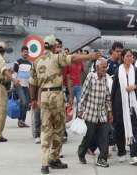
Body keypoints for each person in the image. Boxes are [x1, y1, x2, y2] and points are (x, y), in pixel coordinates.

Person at [29, 34, 100, 174]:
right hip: (56, 95)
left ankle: (45, 163)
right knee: (58, 128)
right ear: (54, 46)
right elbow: (73, 58)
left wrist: (33, 100)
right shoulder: (57, 57)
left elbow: (32, 84)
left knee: (46, 128)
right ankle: (54, 158)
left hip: (43, 96)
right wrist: (90, 56)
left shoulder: (36, 61)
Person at [77, 58, 112, 167]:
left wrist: (109, 111)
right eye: (103, 67)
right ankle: (81, 153)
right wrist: (80, 110)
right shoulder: (90, 77)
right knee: (89, 136)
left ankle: (102, 159)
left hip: (102, 114)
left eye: (106, 67)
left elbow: (107, 96)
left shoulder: (106, 78)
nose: (105, 69)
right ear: (97, 67)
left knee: (104, 136)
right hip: (90, 113)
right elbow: (84, 94)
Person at [111, 49, 137, 165]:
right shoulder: (117, 70)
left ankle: (134, 155)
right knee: (119, 130)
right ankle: (121, 152)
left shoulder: (135, 70)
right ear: (123, 57)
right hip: (119, 105)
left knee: (134, 129)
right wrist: (111, 107)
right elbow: (114, 89)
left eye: (131, 56)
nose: (130, 58)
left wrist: (134, 87)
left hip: (132, 106)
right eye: (127, 56)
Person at [0, 42, 19, 142]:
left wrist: (8, 72)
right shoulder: (1, 59)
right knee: (1, 111)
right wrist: (14, 79)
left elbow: (1, 71)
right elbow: (3, 71)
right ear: (4, 50)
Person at [13, 46, 32, 128]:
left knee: (27, 104)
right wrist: (14, 83)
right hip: (19, 85)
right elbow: (14, 73)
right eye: (24, 52)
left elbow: (30, 76)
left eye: (27, 52)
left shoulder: (30, 63)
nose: (25, 53)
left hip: (27, 86)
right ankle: (20, 120)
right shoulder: (17, 62)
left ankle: (22, 121)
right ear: (21, 53)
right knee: (23, 101)